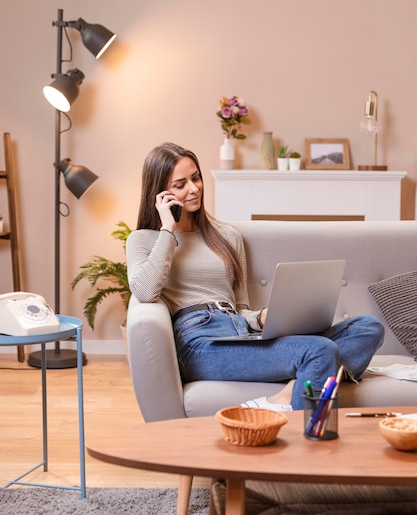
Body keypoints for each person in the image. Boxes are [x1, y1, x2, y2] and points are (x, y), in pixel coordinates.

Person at [126, 142, 385, 411]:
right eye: (180, 184)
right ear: (160, 193)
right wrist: (167, 229)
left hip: (239, 332)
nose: (194, 188)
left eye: (196, 177)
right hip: (198, 343)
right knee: (320, 351)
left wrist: (261, 318)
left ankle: (293, 390)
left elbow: (240, 307)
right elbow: (145, 292)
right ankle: (305, 440)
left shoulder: (226, 236)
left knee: (367, 328)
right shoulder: (145, 240)